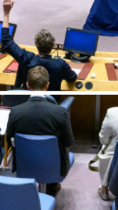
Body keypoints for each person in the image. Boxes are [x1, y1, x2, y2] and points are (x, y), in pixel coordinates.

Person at [6, 66, 74, 196]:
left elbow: (10, 141)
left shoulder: (15, 112)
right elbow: (68, 142)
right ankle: (52, 187)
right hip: (53, 167)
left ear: (27, 85)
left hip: (24, 164)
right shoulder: (60, 112)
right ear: (47, 85)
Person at [1, 0, 77, 91]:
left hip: (28, 99)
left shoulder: (26, 58)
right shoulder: (60, 64)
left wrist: (6, 13)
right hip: (51, 101)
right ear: (52, 45)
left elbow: (6, 40)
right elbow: (72, 77)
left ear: (36, 45)